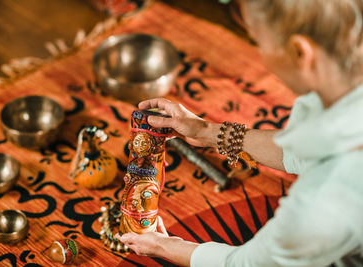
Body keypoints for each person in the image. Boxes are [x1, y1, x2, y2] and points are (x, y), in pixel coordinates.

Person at [116, 0, 363, 266]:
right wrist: (208, 132)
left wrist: (166, 246)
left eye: (257, 40)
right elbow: (304, 150)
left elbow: (247, 264)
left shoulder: (329, 194)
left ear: (300, 51)